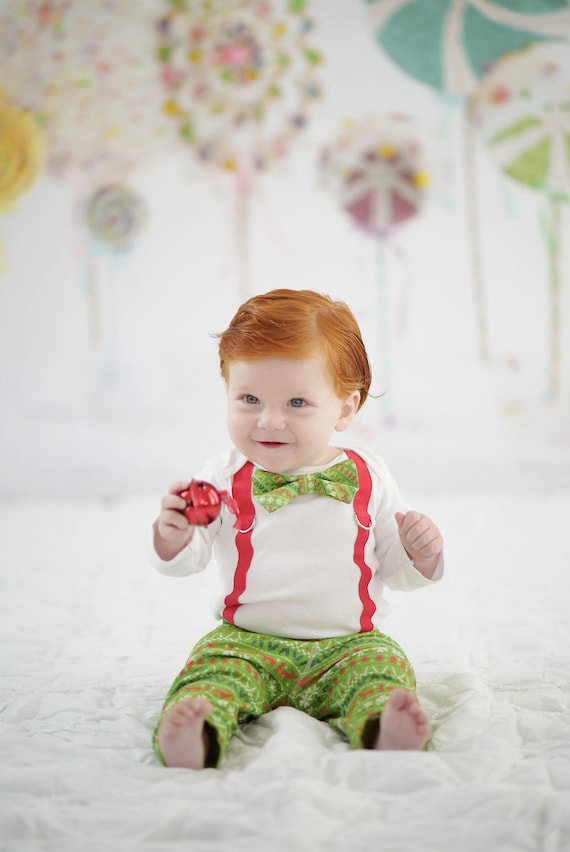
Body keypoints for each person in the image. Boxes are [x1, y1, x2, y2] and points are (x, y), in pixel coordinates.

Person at [149, 289, 444, 770]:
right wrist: (174, 535)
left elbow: (395, 564)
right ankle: (197, 732)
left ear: (346, 409)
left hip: (348, 643)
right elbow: (192, 553)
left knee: (384, 669)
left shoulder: (369, 474)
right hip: (246, 641)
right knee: (209, 671)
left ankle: (380, 726)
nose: (269, 419)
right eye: (248, 398)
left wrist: (420, 552)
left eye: (296, 402)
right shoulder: (222, 476)